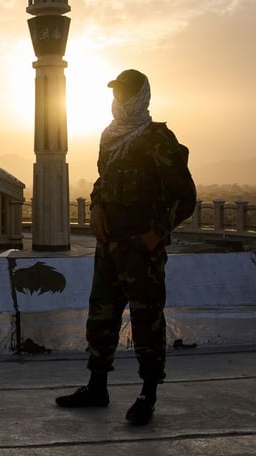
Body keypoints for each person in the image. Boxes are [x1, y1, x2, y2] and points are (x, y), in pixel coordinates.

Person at [55, 69, 195, 426]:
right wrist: (97, 205)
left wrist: (156, 234)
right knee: (101, 316)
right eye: (117, 92)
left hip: (141, 250)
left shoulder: (157, 139)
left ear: (141, 96)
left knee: (146, 319)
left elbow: (185, 197)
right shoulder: (110, 136)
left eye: (126, 93)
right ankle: (97, 385)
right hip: (110, 247)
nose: (120, 99)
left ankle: (148, 393)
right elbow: (103, 180)